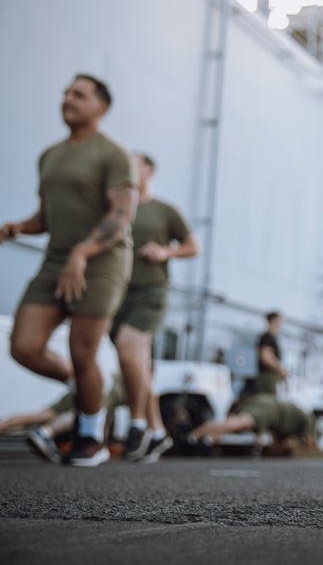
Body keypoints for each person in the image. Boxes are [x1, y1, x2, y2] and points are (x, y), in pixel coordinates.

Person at [1, 74, 136, 467]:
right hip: (58, 258)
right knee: (24, 346)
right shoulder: (50, 155)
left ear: (101, 108)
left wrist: (83, 252)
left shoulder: (113, 154)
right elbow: (46, 215)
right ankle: (85, 387)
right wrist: (18, 228)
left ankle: (91, 438)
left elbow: (121, 215)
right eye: (65, 93)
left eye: (79, 94)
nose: (68, 99)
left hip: (102, 259)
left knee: (82, 350)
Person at [110, 152, 199, 462]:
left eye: (134, 163)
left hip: (151, 292)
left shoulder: (164, 210)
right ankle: (159, 433)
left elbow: (192, 246)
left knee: (127, 349)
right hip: (117, 292)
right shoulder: (116, 210)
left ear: (148, 171)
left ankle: (137, 425)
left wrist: (164, 252)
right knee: (138, 367)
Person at [1, 373, 127, 463]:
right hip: (99, 392)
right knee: (84, 415)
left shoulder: (119, 374)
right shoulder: (134, 386)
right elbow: (105, 420)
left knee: (40, 416)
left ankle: (4, 426)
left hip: (89, 384)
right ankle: (44, 432)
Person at [186, 392, 313, 454]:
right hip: (269, 409)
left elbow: (277, 444)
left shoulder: (292, 422)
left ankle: (205, 440)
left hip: (266, 404)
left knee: (232, 427)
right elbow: (310, 445)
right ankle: (191, 437)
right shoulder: (309, 419)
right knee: (233, 425)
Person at [247, 311, 287, 395]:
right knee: (268, 401)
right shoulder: (267, 337)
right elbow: (266, 357)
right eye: (278, 320)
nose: (280, 323)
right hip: (266, 376)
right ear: (273, 320)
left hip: (270, 375)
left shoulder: (272, 337)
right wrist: (280, 370)